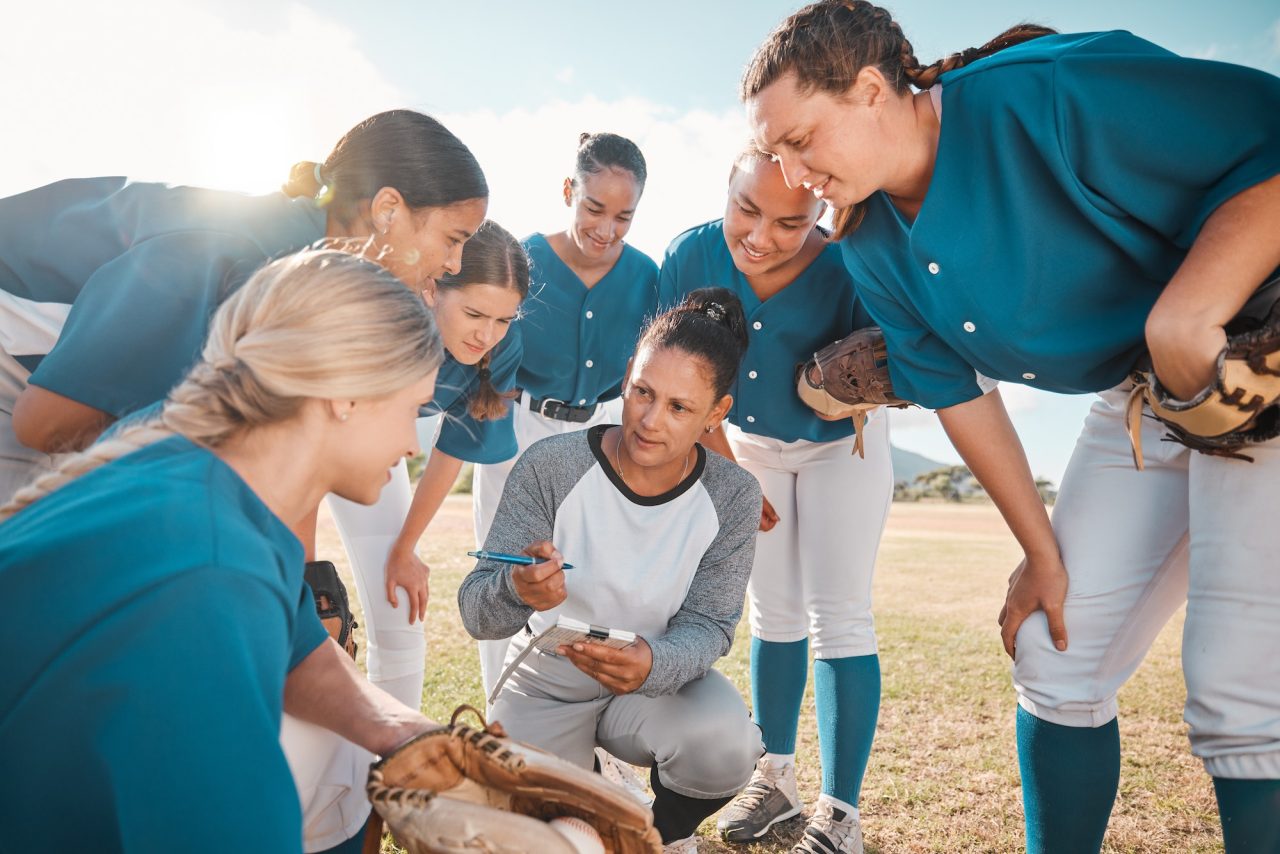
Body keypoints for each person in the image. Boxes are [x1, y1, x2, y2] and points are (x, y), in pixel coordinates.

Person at [742, 3, 1280, 852]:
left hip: (1260, 358)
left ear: (872, 89)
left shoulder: (1047, 90)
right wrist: (1041, 550)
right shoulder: (870, 238)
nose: (790, 168)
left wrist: (1187, 318)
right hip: (1148, 398)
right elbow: (961, 395)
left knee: (1242, 698)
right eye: (774, 152)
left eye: (801, 139)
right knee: (1053, 654)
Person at [0, 250, 444, 853]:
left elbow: (303, 655)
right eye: (413, 409)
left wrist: (418, 739)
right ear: (347, 394)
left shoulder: (203, 481)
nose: (410, 443)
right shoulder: (210, 572)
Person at [0, 108, 488, 504]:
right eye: (453, 238)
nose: (454, 264)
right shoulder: (226, 253)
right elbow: (44, 423)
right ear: (387, 210)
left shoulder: (305, 270)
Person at [459, 288, 766, 854]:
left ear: (715, 414)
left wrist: (654, 662)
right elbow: (477, 610)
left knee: (726, 744)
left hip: (657, 682)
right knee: (524, 830)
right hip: (548, 678)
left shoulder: (734, 494)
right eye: (643, 392)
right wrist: (517, 587)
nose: (650, 421)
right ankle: (588, 790)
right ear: (627, 376)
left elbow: (712, 624)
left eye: (679, 408)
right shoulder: (551, 466)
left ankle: (651, 835)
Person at [658, 147, 893, 853]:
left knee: (841, 616)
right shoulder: (692, 253)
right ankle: (777, 780)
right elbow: (672, 368)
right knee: (775, 612)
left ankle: (840, 815)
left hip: (838, 448)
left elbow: (901, 357)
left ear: (821, 210)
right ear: (724, 191)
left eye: (790, 222)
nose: (761, 236)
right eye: (747, 210)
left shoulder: (851, 260)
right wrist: (730, 469)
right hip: (744, 447)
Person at [470, 131, 659, 698]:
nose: (606, 229)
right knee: (503, 578)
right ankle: (499, 722)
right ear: (567, 190)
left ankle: (579, 725)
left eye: (624, 216)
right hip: (516, 425)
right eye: (594, 207)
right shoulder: (522, 258)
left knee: (589, 583)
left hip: (599, 434)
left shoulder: (647, 275)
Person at [324, 219, 527, 710]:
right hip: (303, 440)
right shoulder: (374, 316)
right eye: (476, 313)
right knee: (297, 602)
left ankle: (395, 769)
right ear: (433, 286)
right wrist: (307, 564)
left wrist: (406, 548)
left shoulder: (498, 349)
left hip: (378, 451)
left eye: (504, 320)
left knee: (400, 611)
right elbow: (302, 439)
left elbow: (454, 446)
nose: (488, 335)